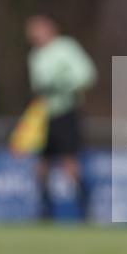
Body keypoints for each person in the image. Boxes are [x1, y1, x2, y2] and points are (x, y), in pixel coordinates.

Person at [24, 14, 97, 220]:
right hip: (44, 116)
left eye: (38, 29)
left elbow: (87, 74)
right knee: (41, 166)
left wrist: (63, 85)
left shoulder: (66, 48)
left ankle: (86, 212)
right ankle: (45, 213)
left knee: (69, 164)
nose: (34, 35)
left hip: (66, 112)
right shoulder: (35, 56)